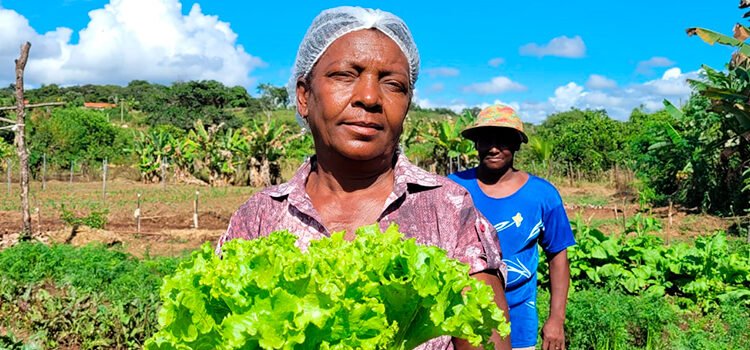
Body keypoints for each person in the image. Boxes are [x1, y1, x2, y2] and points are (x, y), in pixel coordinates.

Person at [217, 7, 511, 350]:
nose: (369, 97)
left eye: (393, 84)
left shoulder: (447, 209)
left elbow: (484, 337)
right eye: (344, 75)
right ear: (303, 96)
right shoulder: (259, 217)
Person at [448, 104, 576, 350]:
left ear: (517, 144)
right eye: (485, 139)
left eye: (503, 140)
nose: (493, 148)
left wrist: (556, 320)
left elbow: (558, 256)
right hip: (458, 317)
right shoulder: (452, 188)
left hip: (518, 320)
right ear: (475, 143)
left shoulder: (542, 195)